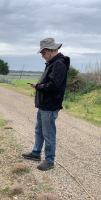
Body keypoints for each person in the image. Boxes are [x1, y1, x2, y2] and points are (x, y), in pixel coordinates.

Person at [22, 38, 70, 171]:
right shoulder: (52, 63)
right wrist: (39, 86)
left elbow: (54, 86)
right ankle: (36, 153)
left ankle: (49, 160)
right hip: (44, 105)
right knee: (39, 130)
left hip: (50, 105)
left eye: (43, 53)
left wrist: (38, 86)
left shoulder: (58, 64)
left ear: (50, 51)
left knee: (48, 133)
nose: (42, 56)